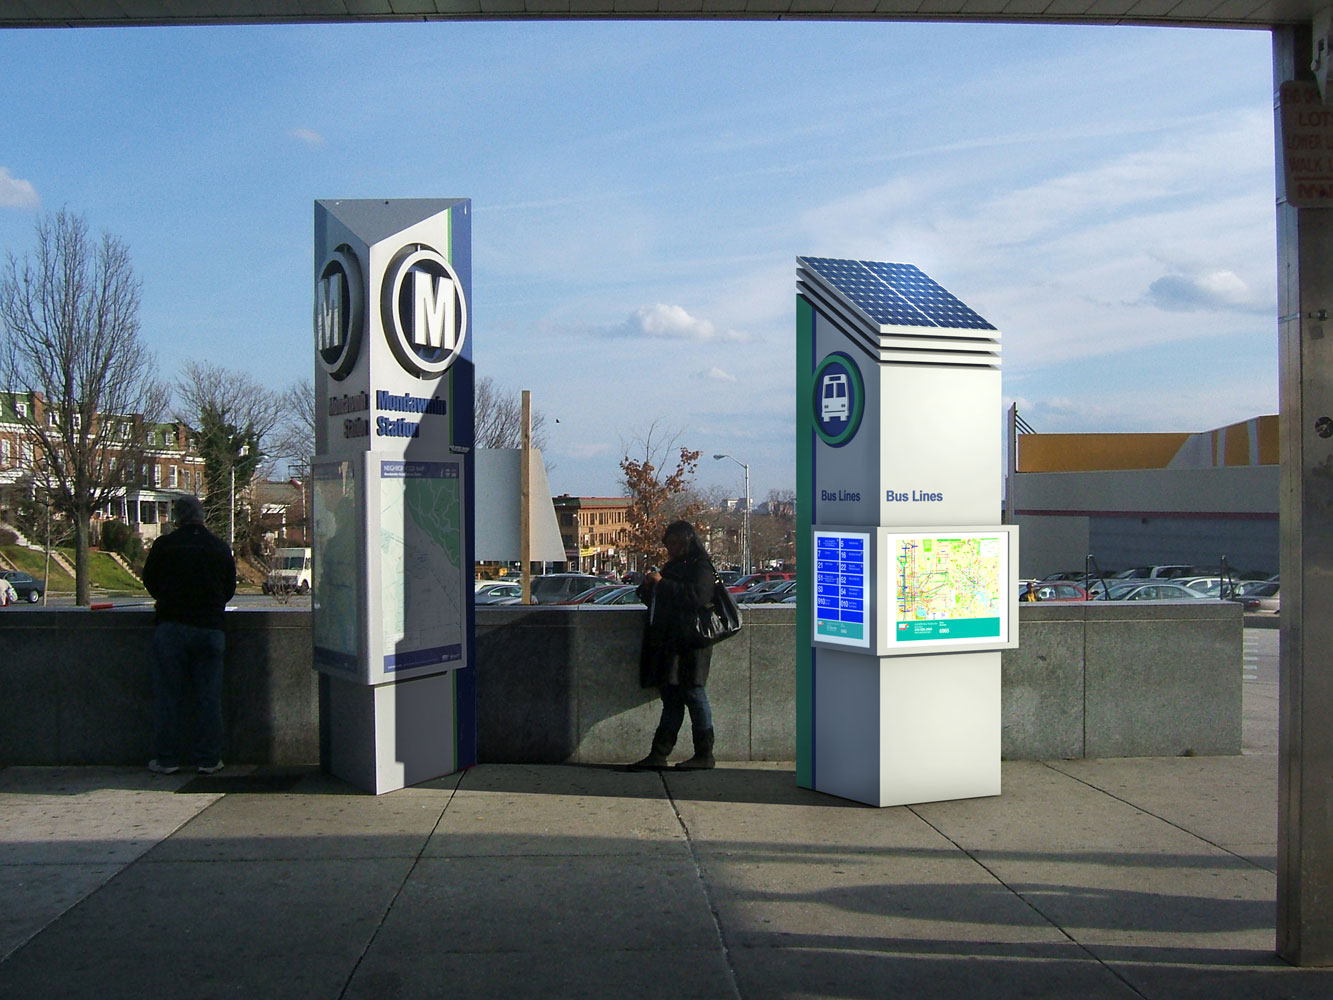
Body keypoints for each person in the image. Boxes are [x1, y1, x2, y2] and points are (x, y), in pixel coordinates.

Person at [141, 495, 237, 775]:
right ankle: (208, 758)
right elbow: (228, 588)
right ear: (202, 516)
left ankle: (167, 758)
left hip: (171, 625)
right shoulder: (218, 547)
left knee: (168, 696)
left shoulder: (165, 546)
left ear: (177, 518)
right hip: (210, 627)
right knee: (209, 696)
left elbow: (150, 581)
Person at [629, 520, 718, 771]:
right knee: (672, 697)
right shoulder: (674, 566)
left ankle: (704, 753)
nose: (673, 548)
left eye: (678, 543)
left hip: (691, 643)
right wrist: (649, 586)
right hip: (670, 643)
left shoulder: (700, 566)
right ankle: (658, 753)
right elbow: (659, 599)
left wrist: (662, 583)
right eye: (670, 544)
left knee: (694, 693)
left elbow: (698, 596)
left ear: (690, 542)